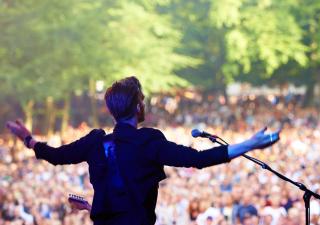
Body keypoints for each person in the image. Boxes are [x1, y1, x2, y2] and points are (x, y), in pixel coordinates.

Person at [6, 76, 280, 225]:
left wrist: (29, 140)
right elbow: (198, 159)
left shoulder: (95, 142)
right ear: (137, 107)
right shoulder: (147, 142)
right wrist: (250, 144)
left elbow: (56, 156)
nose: (145, 103)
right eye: (143, 99)